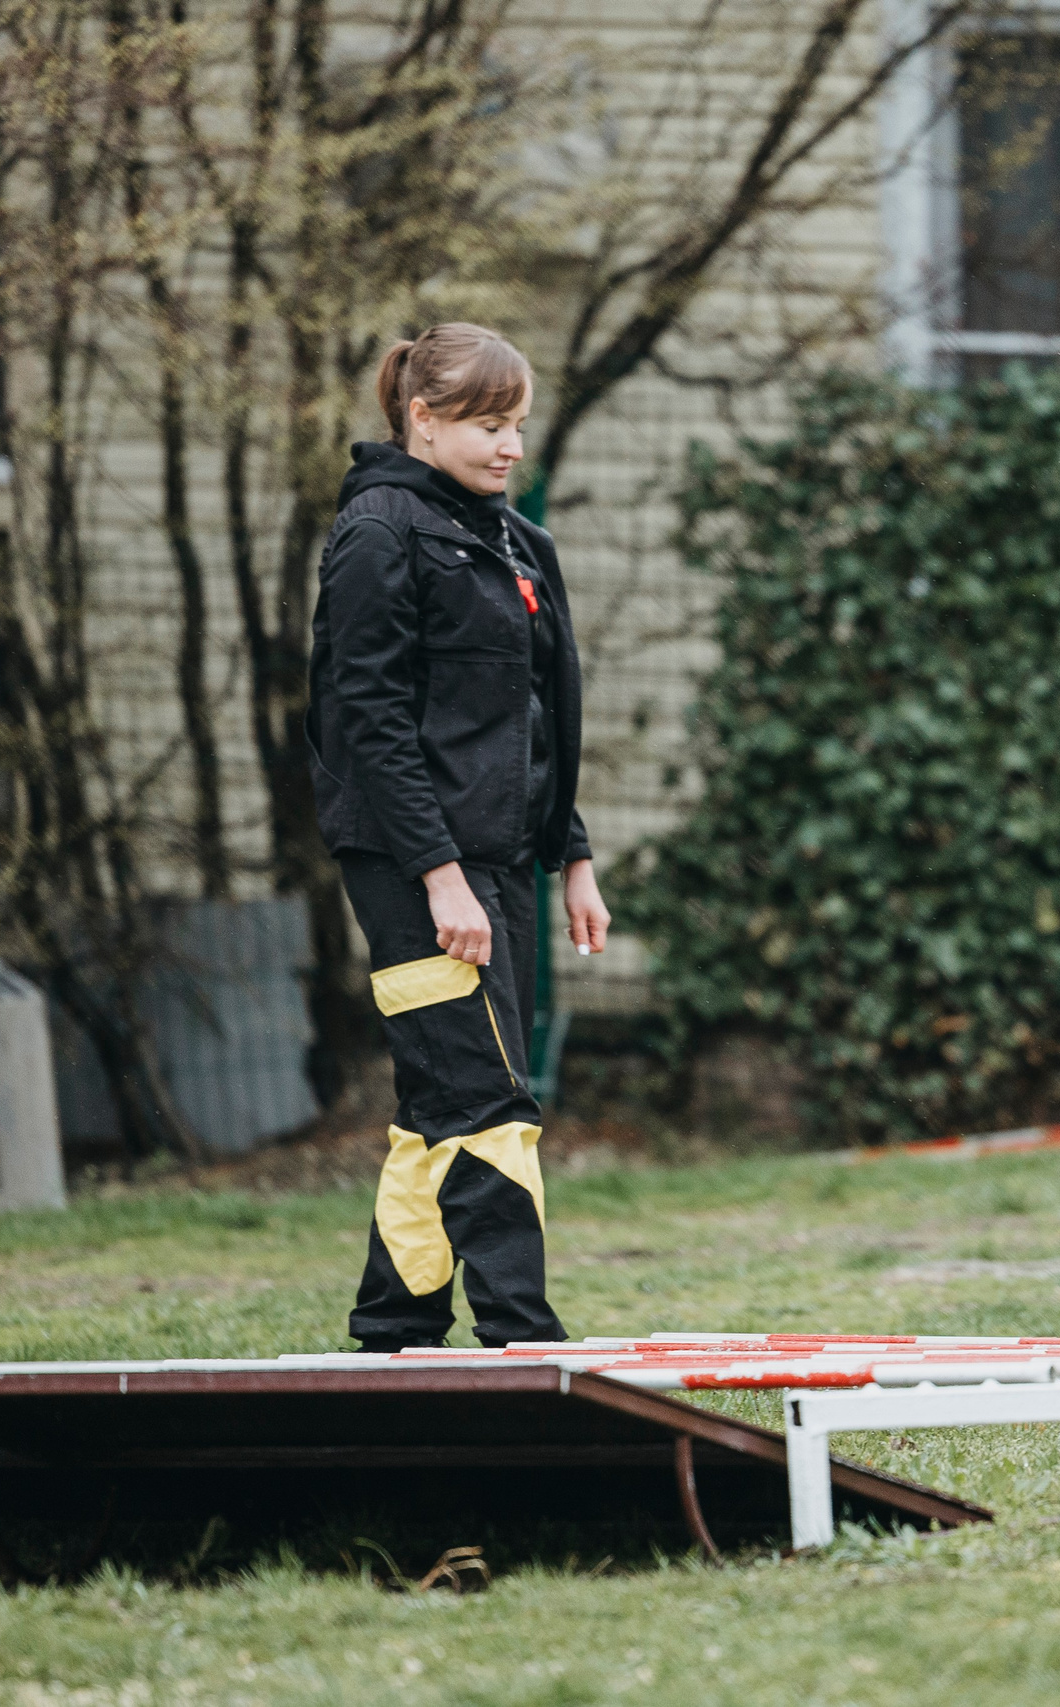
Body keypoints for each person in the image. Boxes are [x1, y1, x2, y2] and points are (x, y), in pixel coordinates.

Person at [308, 322, 609, 1351]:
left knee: (442, 1095)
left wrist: (572, 855)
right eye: (488, 425)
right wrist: (438, 875)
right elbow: (369, 720)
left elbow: (534, 714)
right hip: (412, 864)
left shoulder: (517, 542)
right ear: (423, 419)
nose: (510, 446)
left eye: (518, 424)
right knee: (488, 1096)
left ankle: (394, 1327)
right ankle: (524, 1337)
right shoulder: (378, 533)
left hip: (500, 857)